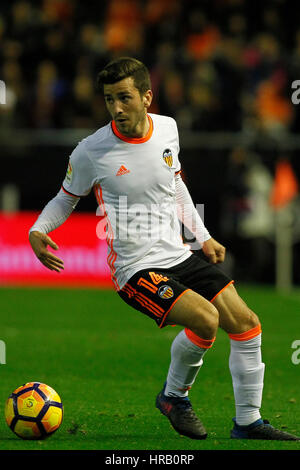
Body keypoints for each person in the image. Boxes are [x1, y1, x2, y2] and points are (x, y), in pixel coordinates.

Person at [29, 57, 299, 441]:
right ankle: (174, 397)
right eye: (109, 100)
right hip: (135, 269)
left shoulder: (168, 129)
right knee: (206, 319)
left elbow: (175, 186)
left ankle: (248, 422)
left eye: (124, 98)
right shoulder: (91, 151)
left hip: (179, 256)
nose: (117, 108)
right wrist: (39, 229)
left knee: (246, 323)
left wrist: (202, 236)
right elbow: (65, 199)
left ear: (146, 96)